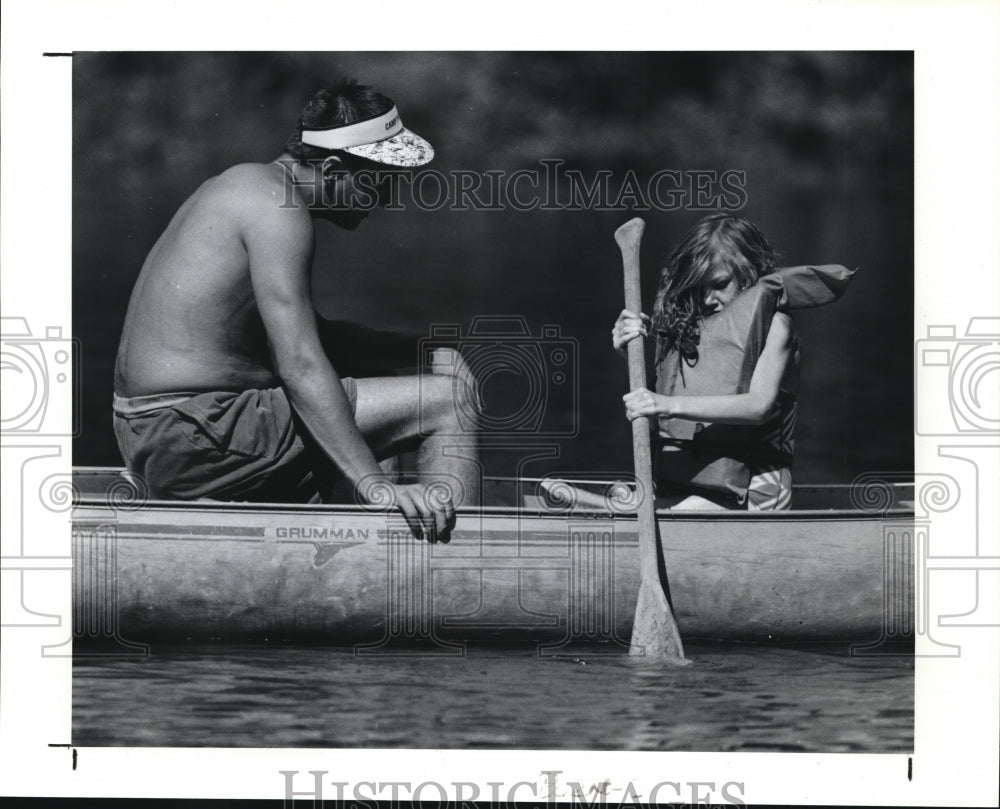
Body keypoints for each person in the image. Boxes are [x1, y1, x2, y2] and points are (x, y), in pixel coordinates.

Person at [113, 78, 480, 541]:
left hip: (158, 433)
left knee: (396, 383)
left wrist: (423, 352)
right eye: (379, 180)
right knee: (450, 401)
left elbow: (312, 341)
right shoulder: (279, 211)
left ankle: (379, 543)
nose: (387, 198)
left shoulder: (247, 184)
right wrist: (377, 488)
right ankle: (454, 567)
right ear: (331, 166)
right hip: (196, 434)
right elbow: (301, 364)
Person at [612, 213, 851, 511]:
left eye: (719, 284)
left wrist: (664, 403)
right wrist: (629, 353)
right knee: (636, 502)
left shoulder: (778, 326)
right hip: (687, 482)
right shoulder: (691, 330)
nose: (708, 300)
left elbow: (759, 407)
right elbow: (654, 423)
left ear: (750, 270)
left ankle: (633, 512)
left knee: (668, 512)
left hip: (756, 489)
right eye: (699, 289)